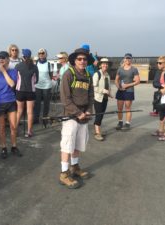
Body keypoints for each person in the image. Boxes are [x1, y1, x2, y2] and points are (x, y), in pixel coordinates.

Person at [59, 47, 94, 189]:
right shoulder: (68, 74)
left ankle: (75, 167)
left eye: (85, 59)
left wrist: (89, 111)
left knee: (79, 144)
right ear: (74, 60)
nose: (82, 61)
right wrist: (77, 112)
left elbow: (91, 96)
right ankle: (64, 174)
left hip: (84, 116)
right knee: (68, 145)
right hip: (71, 116)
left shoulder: (88, 75)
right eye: (79, 59)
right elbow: (65, 99)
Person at [0, 51, 22, 159]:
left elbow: (12, 84)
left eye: (3, 57)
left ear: (8, 59)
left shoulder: (13, 71)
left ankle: (14, 146)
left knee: (13, 126)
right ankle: (3, 147)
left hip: (10, 101)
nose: (0, 59)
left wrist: (3, 71)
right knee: (1, 128)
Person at [15, 49, 39, 137]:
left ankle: (15, 130)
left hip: (20, 91)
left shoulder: (18, 66)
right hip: (30, 91)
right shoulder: (34, 67)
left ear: (23, 56)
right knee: (30, 112)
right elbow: (36, 80)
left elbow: (15, 79)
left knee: (19, 111)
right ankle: (29, 132)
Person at [115, 53, 140, 129]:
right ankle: (120, 122)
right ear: (124, 59)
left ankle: (127, 123)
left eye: (129, 58)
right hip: (120, 91)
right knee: (119, 108)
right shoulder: (120, 69)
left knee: (128, 108)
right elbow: (116, 80)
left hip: (129, 91)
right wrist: (119, 87)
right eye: (126, 58)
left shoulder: (134, 69)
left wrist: (127, 85)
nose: (128, 60)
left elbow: (137, 81)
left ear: (131, 59)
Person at [92, 58, 112, 141]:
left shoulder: (107, 74)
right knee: (99, 115)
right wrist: (103, 91)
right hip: (98, 98)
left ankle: (98, 130)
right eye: (103, 63)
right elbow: (94, 87)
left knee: (101, 115)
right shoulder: (97, 74)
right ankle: (97, 133)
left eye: (106, 64)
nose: (105, 65)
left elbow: (108, 86)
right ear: (100, 65)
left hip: (105, 98)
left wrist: (110, 93)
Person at [34, 48, 52, 124]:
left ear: (45, 54)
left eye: (43, 53)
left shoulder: (48, 64)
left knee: (46, 104)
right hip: (37, 86)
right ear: (38, 54)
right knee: (37, 103)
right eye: (40, 53)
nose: (41, 54)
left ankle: (45, 119)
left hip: (47, 86)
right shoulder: (36, 63)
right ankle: (36, 119)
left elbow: (50, 75)